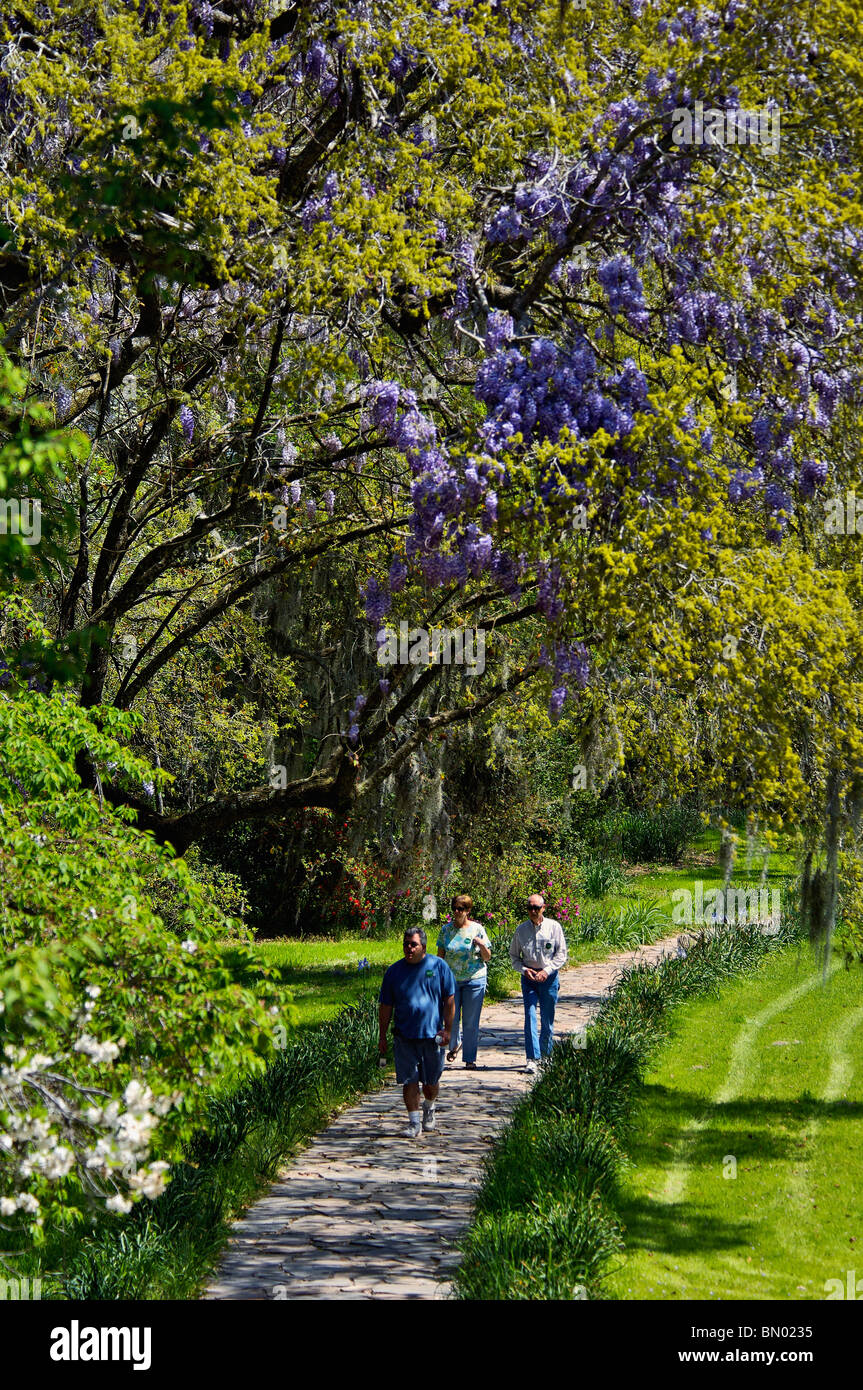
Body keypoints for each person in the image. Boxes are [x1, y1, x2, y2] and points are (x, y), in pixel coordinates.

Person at [378, 927, 456, 1138]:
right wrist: (382, 1035)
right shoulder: (394, 972)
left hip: (432, 1036)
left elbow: (449, 999)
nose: (409, 948)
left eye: (413, 944)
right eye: (406, 944)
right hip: (404, 1035)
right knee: (409, 1080)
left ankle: (429, 1108)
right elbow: (385, 1005)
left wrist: (448, 1030)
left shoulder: (439, 966)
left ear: (423, 946)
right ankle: (413, 1123)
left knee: (430, 1081)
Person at [509, 893, 568, 1074]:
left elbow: (561, 954)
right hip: (529, 979)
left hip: (548, 979)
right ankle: (532, 1058)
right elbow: (513, 956)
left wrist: (547, 971)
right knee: (530, 1017)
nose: (533, 911)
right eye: (530, 908)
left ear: (543, 908)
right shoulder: (521, 930)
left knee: (547, 1020)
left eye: (536, 908)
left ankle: (546, 1055)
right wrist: (524, 970)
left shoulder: (554, 927)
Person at [436, 893, 492, 1069]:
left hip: (474, 979)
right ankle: (453, 1047)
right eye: (454, 908)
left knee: (470, 1021)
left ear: (468, 910)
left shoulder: (477, 929)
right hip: (451, 981)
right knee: (450, 1019)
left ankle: (469, 1059)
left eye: (460, 909)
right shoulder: (446, 930)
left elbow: (487, 957)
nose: (456, 912)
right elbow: (440, 957)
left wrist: (482, 945)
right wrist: (438, 979)